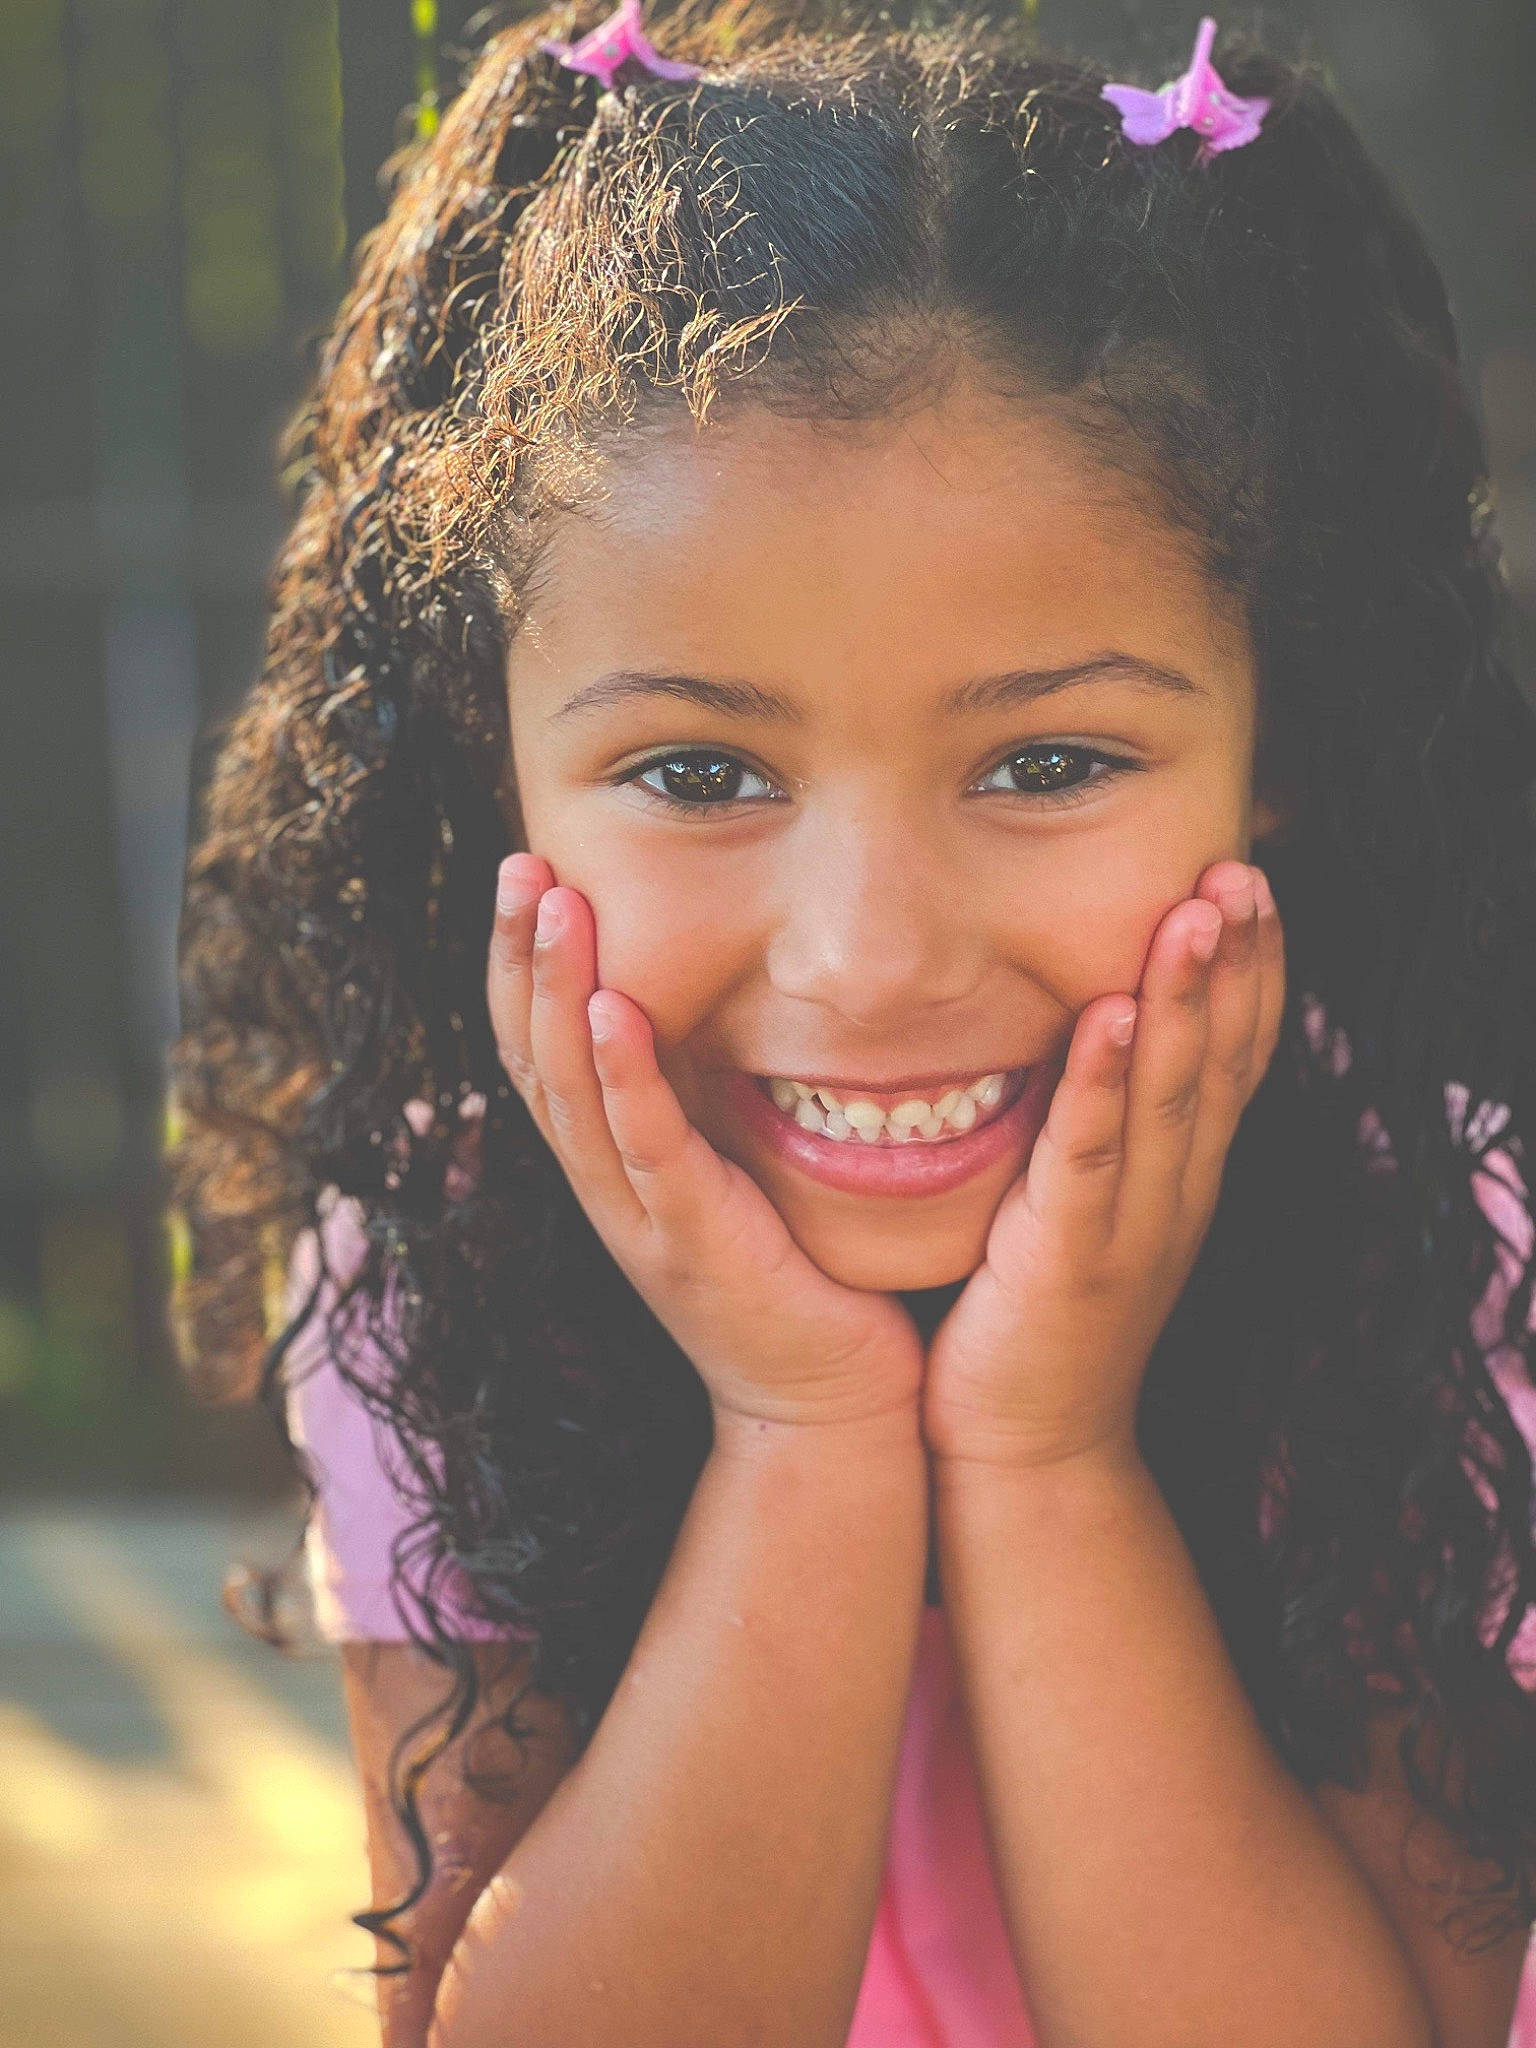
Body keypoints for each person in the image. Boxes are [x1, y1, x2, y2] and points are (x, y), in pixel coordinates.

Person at [166, 2, 1536, 2042]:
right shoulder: (446, 1264)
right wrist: (801, 1441)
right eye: (703, 775)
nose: (869, 959)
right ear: (499, 756)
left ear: (1278, 749)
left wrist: (1049, 1456)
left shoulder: (1447, 1248)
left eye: (1051, 762)